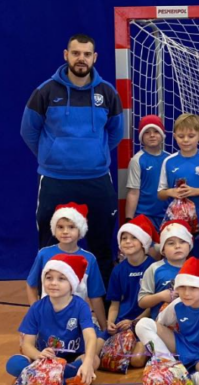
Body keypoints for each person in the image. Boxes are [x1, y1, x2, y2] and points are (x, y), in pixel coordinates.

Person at [21, 33, 123, 286]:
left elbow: (115, 132)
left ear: (94, 57)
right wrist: (52, 156)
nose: (81, 59)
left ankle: (104, 304)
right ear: (66, 55)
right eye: (76, 53)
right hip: (55, 179)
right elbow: (28, 131)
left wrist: (94, 155)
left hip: (96, 178)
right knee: (49, 244)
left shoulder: (107, 92)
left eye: (87, 54)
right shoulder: (45, 91)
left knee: (102, 245)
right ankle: (48, 300)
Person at [135, 257, 199, 385]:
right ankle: (169, 368)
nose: (186, 293)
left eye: (193, 288)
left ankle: (180, 378)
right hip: (182, 346)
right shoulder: (177, 304)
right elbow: (158, 325)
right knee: (143, 324)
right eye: (182, 287)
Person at [6, 253, 98, 385]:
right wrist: (38, 354)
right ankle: (61, 383)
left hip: (72, 360)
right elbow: (27, 344)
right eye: (49, 278)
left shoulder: (81, 306)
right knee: (13, 363)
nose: (53, 283)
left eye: (61, 279)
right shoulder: (37, 308)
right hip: (44, 360)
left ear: (72, 283)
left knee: (94, 360)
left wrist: (88, 363)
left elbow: (90, 336)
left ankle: (36, 380)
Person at [25, 203, 106, 331]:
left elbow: (95, 296)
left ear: (80, 229)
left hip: (76, 319)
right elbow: (31, 285)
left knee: (95, 338)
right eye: (60, 227)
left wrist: (104, 327)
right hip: (48, 318)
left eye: (71, 227)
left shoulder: (89, 259)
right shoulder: (44, 254)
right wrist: (35, 312)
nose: (65, 231)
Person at [157, 113, 199, 262]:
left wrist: (197, 191)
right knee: (179, 258)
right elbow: (160, 193)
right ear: (174, 136)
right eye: (181, 136)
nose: (185, 140)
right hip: (177, 220)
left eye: (191, 136)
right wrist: (172, 192)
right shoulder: (169, 161)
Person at [105, 216, 157, 368]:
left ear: (143, 242)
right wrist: (110, 322)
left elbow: (153, 304)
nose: (128, 241)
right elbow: (114, 304)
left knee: (136, 360)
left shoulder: (153, 267)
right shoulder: (118, 270)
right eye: (124, 238)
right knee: (97, 348)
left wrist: (134, 322)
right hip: (122, 323)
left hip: (143, 322)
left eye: (133, 237)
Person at [137, 220, 194, 320]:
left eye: (183, 241)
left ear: (189, 245)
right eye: (171, 243)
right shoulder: (154, 269)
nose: (177, 246)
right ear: (163, 249)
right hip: (161, 324)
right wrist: (161, 296)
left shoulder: (196, 267)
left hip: (192, 323)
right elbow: (142, 302)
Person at [125, 115, 169, 230]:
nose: (152, 135)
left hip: (167, 216)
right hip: (144, 216)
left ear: (162, 135)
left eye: (156, 131)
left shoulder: (170, 159)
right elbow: (133, 192)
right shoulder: (137, 160)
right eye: (147, 132)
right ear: (141, 137)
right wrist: (129, 219)